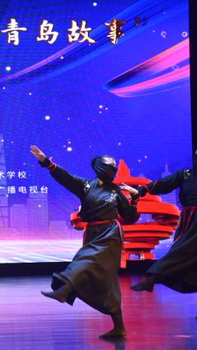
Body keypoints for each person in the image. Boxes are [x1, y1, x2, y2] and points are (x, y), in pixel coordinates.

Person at [30, 145, 139, 338]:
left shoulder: (116, 191)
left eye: (114, 167)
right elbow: (66, 177)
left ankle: (64, 291)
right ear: (99, 167)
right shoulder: (86, 186)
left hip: (111, 234)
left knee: (84, 260)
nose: (113, 169)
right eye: (109, 166)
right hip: (94, 233)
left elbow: (129, 217)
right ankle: (119, 327)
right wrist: (47, 163)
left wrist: (135, 198)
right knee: (108, 281)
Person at [131, 145, 197, 320]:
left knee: (181, 250)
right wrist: (142, 190)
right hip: (188, 220)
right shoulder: (185, 174)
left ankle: (151, 280)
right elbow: (165, 183)